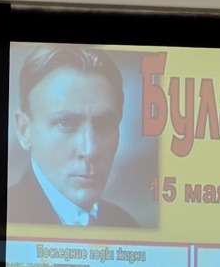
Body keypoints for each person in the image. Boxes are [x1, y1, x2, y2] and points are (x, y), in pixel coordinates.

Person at [9, 45, 138, 227]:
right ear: (24, 130)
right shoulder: (5, 218)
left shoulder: (125, 225)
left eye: (105, 124)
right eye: (65, 123)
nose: (90, 150)